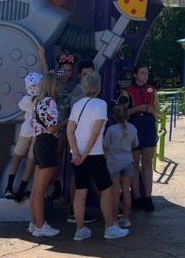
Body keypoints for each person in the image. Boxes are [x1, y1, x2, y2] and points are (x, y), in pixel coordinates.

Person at [67, 71, 128, 241]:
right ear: (98, 87)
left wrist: (76, 153)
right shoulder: (100, 104)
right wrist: (85, 154)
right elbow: (95, 132)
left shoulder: (77, 104)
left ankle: (80, 229)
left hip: (77, 155)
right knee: (106, 189)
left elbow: (70, 130)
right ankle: (109, 227)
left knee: (80, 191)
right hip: (93, 154)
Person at [28, 72, 63, 238]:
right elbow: (52, 128)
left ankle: (34, 223)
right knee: (41, 190)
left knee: (35, 189)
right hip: (48, 143)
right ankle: (41, 225)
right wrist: (67, 121)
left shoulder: (37, 102)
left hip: (37, 144)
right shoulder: (50, 102)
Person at [124, 65, 160, 211]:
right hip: (134, 126)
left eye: (146, 73)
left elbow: (157, 111)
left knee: (147, 162)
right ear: (135, 75)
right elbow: (123, 113)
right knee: (134, 162)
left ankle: (148, 197)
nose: (144, 76)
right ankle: (137, 196)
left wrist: (154, 112)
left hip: (149, 126)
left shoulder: (153, 90)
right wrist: (139, 108)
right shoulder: (127, 92)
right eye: (142, 73)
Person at [4, 71, 42, 202]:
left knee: (17, 158)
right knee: (31, 162)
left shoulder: (26, 100)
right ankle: (21, 190)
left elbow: (21, 106)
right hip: (38, 133)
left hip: (26, 130)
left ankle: (9, 187)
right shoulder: (44, 99)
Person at [103, 100, 139, 228]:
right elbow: (135, 144)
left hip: (114, 163)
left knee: (115, 191)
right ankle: (126, 217)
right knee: (126, 190)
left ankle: (114, 219)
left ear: (113, 116)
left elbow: (105, 145)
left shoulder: (111, 129)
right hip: (128, 161)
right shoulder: (133, 128)